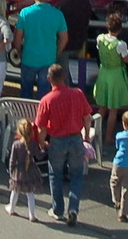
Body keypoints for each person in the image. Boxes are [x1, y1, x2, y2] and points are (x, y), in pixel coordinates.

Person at [36, 63, 94, 224]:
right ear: (65, 77)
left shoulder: (46, 100)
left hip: (57, 141)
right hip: (76, 139)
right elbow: (87, 118)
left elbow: (41, 128)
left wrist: (41, 143)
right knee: (76, 175)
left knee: (55, 175)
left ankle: (58, 209)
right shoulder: (78, 94)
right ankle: (73, 208)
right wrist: (86, 137)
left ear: (49, 79)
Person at [14, 0, 67, 98]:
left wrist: (19, 52)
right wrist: (56, 52)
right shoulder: (57, 14)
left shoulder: (25, 13)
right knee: (44, 93)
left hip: (28, 57)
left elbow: (17, 38)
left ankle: (25, 109)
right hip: (48, 58)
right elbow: (64, 38)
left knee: (25, 91)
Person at [91, 14, 128, 144]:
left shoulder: (100, 38)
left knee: (102, 107)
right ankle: (108, 137)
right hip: (115, 75)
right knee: (113, 109)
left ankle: (91, 131)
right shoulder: (120, 44)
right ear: (119, 29)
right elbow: (126, 59)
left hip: (103, 73)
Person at [7, 117, 45, 221]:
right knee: (30, 194)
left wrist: (11, 172)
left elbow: (12, 161)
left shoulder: (16, 145)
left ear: (19, 132)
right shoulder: (33, 144)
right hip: (31, 171)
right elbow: (39, 156)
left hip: (18, 172)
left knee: (15, 191)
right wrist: (44, 149)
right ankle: (32, 215)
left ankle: (11, 208)